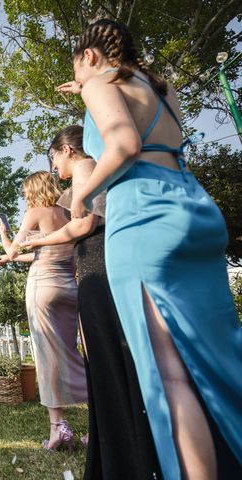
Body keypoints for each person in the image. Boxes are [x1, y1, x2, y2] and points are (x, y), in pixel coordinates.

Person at [58, 18, 242, 478]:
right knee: (219, 363)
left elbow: (123, 144)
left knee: (171, 378)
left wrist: (81, 196)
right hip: (194, 208)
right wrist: (85, 85)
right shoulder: (160, 87)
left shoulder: (100, 81)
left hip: (145, 217)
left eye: (78, 71)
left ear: (91, 56)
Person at [25, 126, 161, 478]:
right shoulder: (75, 187)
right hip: (87, 268)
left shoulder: (90, 171)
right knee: (99, 355)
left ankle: (124, 444)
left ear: (67, 150)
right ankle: (107, 439)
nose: (53, 167)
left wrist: (30, 243)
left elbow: (84, 226)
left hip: (99, 265)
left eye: (53, 157)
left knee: (108, 354)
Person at [0, 171, 87, 450]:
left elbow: (14, 249)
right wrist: (10, 260)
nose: (25, 197)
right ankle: (100, 420)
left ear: (34, 190)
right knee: (71, 352)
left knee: (47, 358)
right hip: (69, 289)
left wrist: (4, 236)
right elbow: (45, 250)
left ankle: (58, 428)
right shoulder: (70, 214)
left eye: (26, 192)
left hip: (42, 289)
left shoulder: (36, 212)